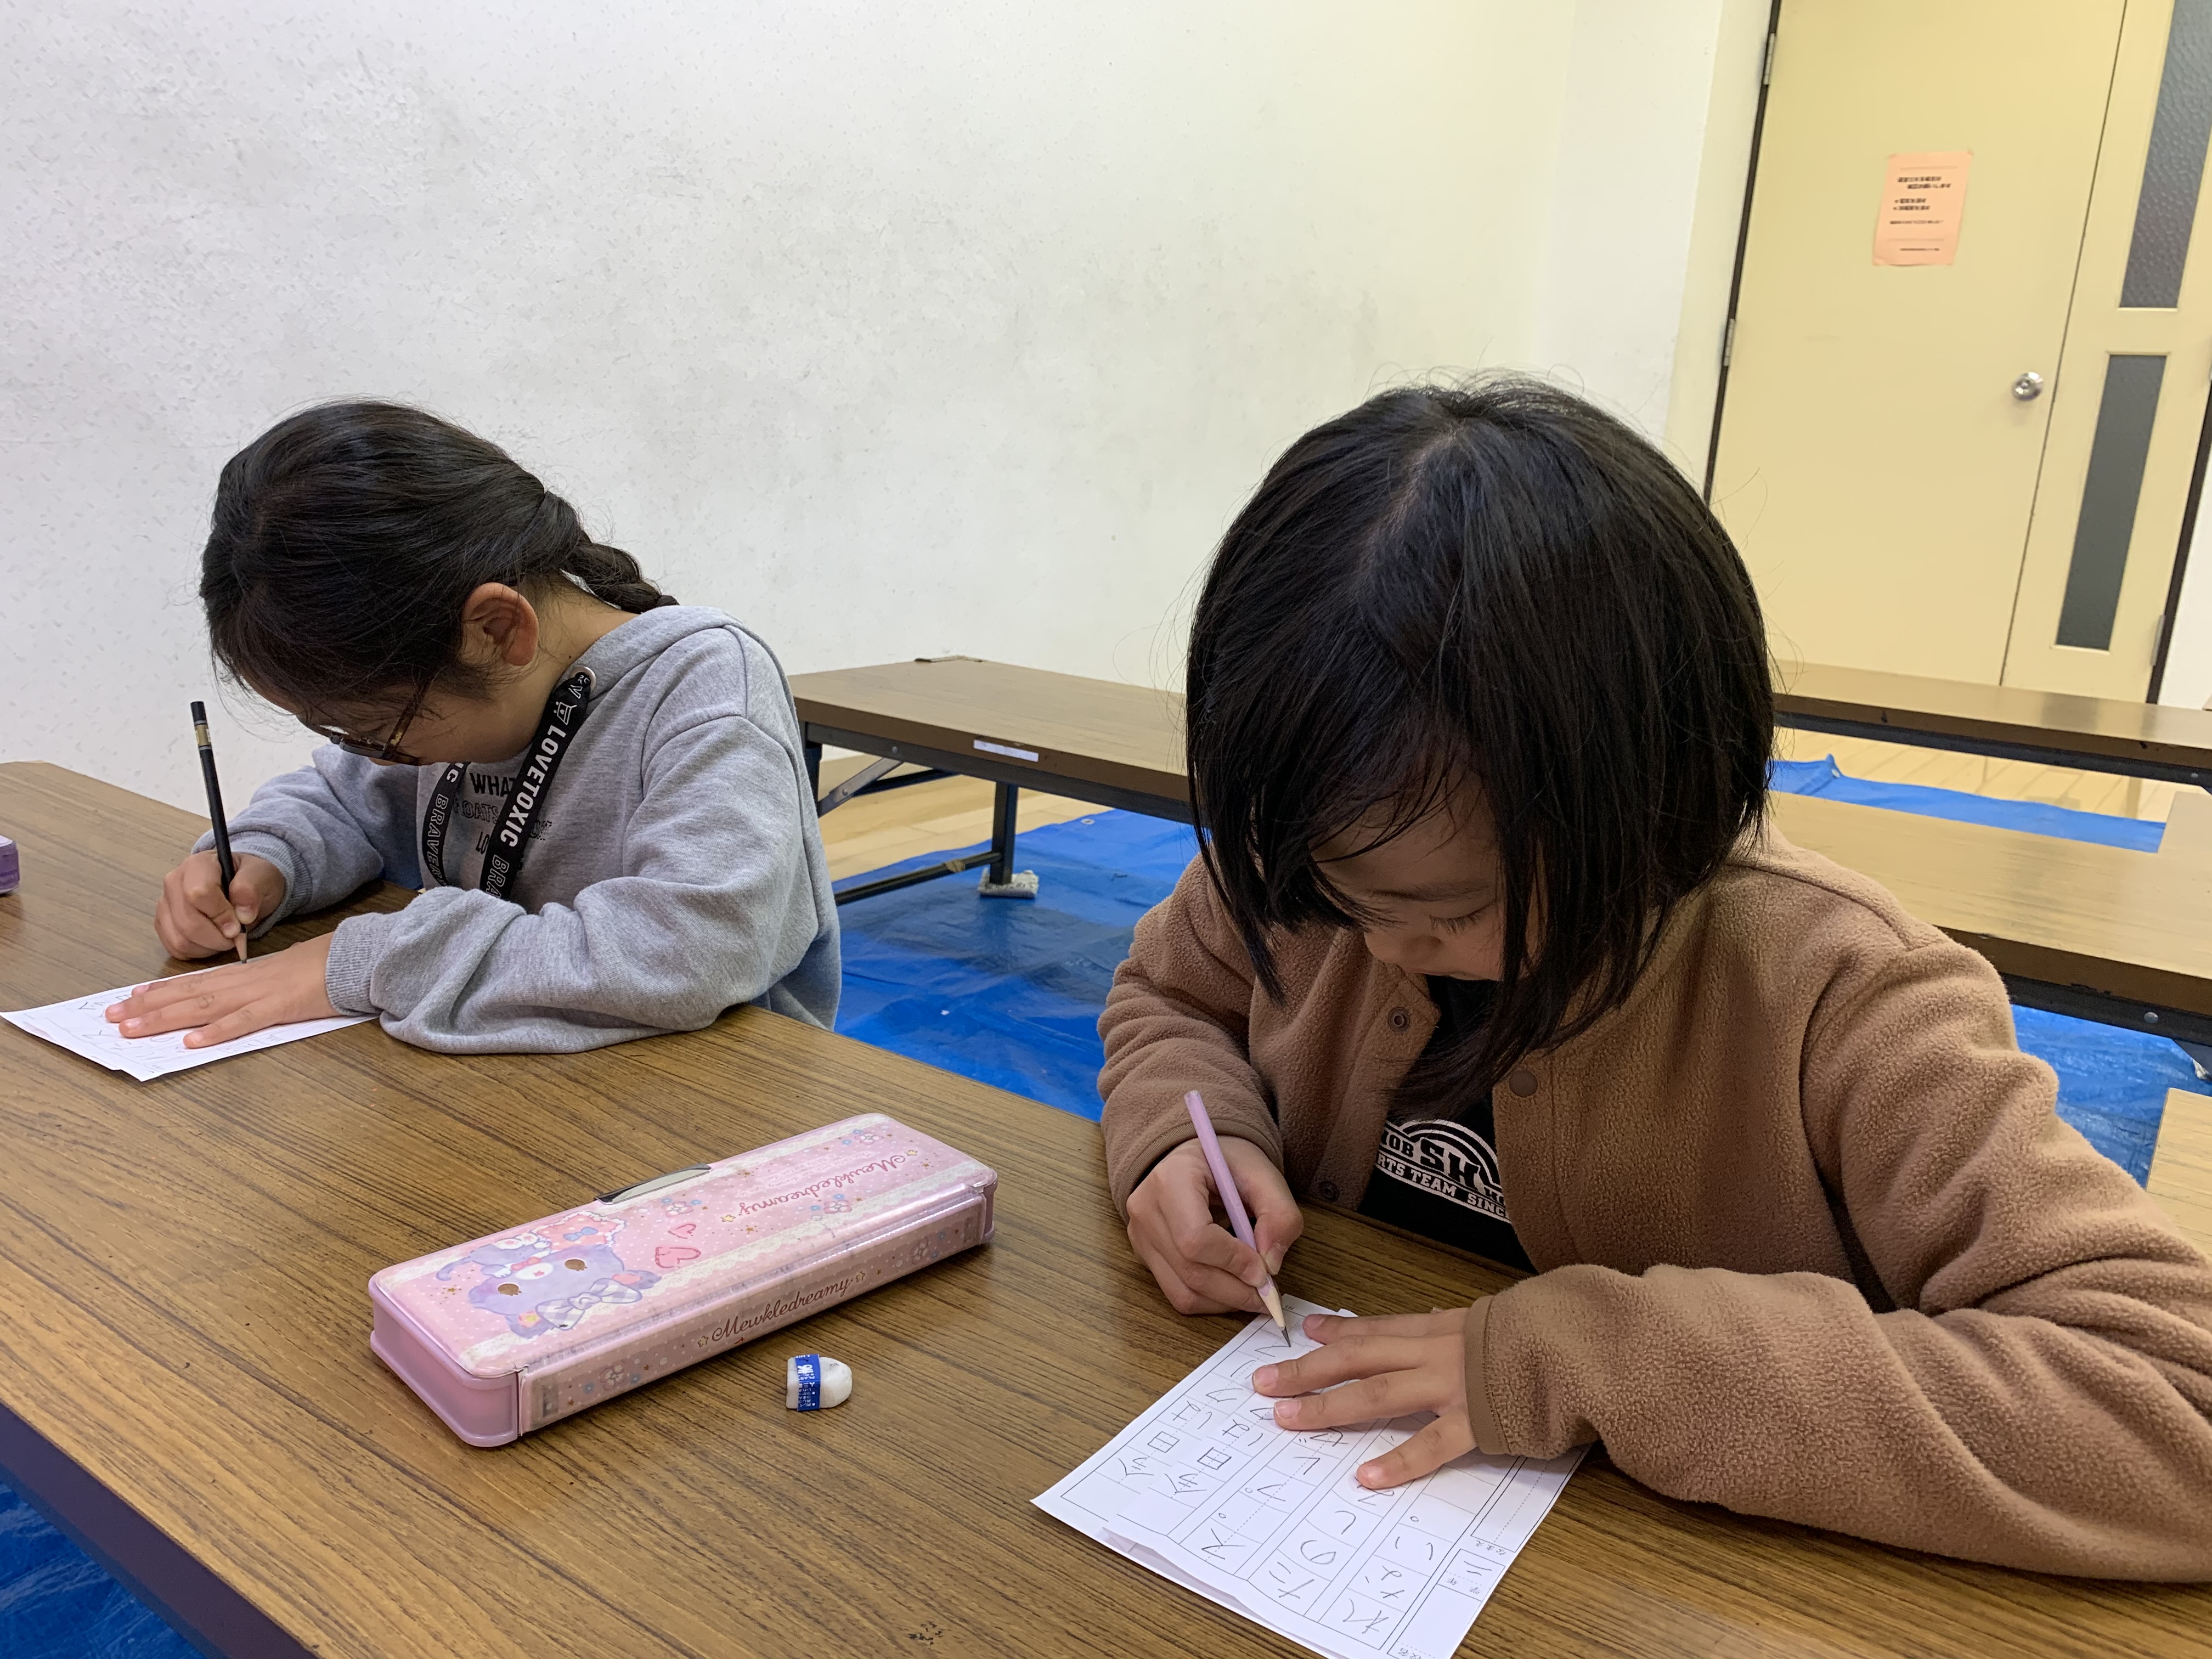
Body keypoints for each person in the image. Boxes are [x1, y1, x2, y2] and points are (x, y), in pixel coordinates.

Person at [1099, 378, 2212, 1577]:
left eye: (1447, 912)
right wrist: (1183, 1135)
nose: (1374, 946)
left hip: (1678, 1586)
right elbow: (1173, 997)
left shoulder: (1839, 995)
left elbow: (2171, 1405)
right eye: (1334, 899)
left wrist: (1581, 1362)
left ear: (1644, 811)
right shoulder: (1317, 862)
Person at [111, 400, 837, 1052]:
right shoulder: (460, 687)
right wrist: (265, 859)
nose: (380, 760)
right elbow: (344, 801)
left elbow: (687, 953)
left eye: (378, 730)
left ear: (496, 630)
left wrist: (370, 960)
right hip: (520, 1081)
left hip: (717, 1103)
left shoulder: (708, 693)